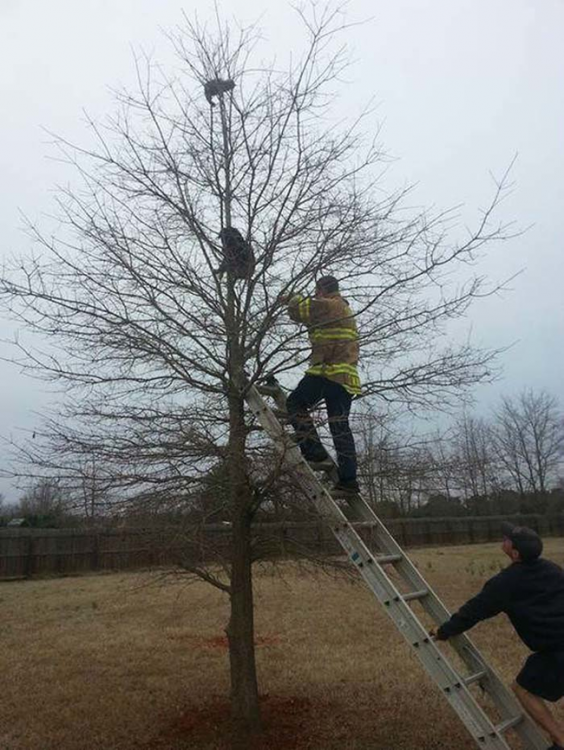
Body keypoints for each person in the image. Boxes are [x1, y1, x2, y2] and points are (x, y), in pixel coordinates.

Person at [431, 523, 564, 750]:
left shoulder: (506, 583)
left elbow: (474, 611)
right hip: (556, 648)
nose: (504, 538)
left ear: (515, 553)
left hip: (557, 651)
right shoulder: (553, 569)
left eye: (508, 539)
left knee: (523, 689)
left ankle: (561, 742)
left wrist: (443, 631)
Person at [279, 275, 361, 495]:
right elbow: (310, 317)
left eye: (316, 292)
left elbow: (303, 309)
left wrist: (289, 299)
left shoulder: (330, 305)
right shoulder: (343, 310)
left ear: (322, 291)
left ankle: (313, 448)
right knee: (340, 427)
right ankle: (349, 481)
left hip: (328, 372)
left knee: (295, 403)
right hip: (346, 378)